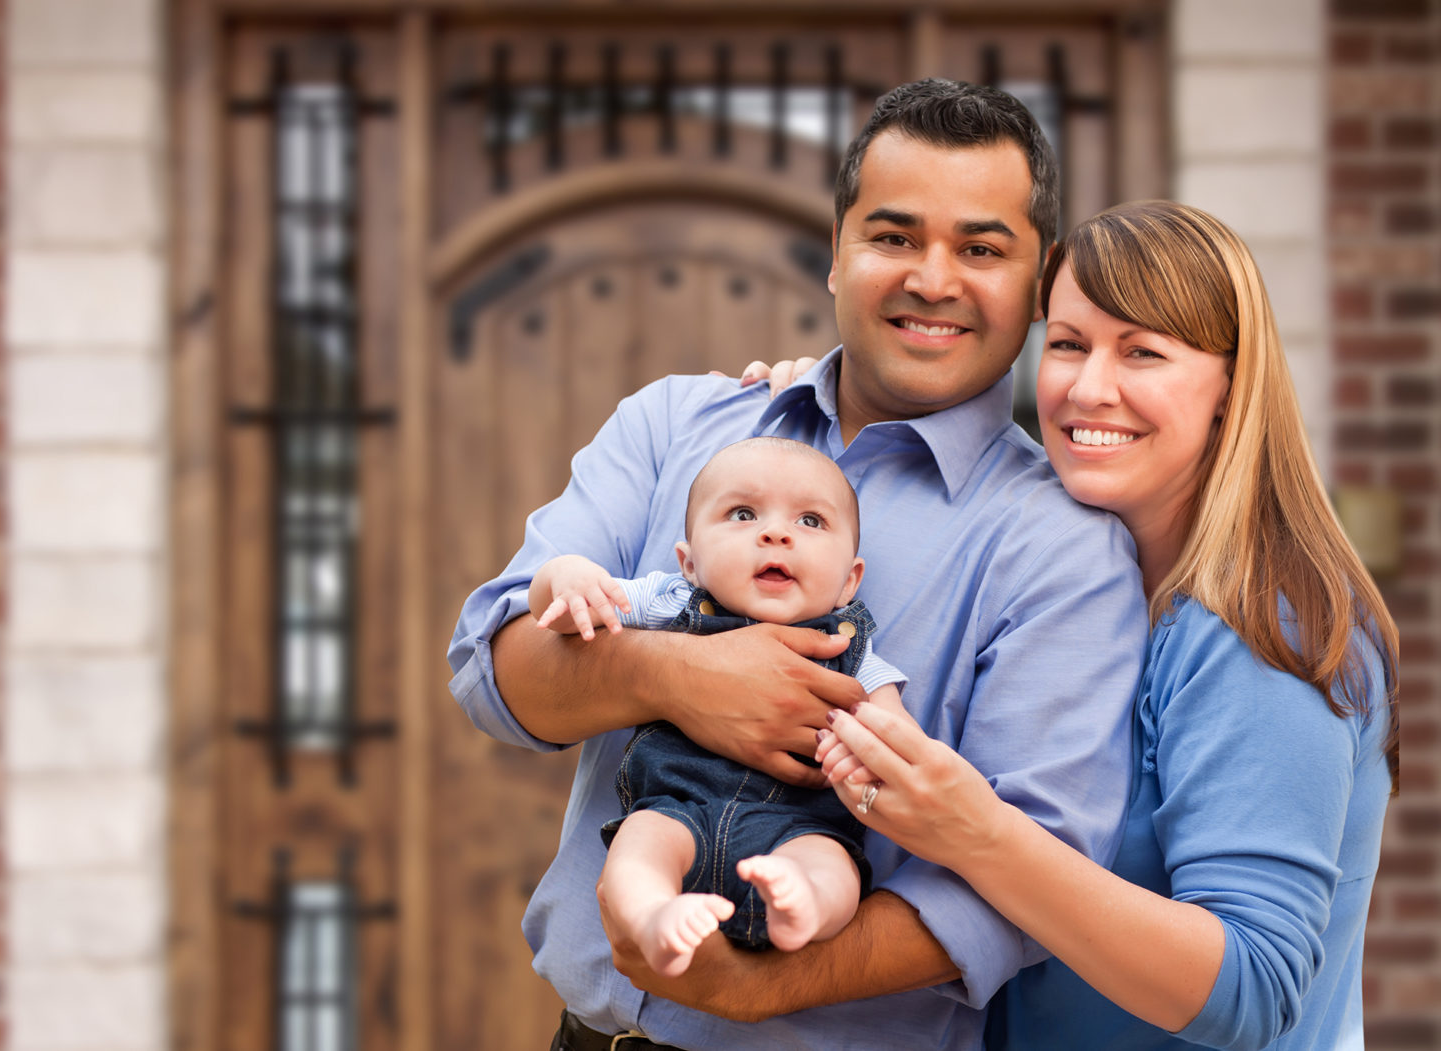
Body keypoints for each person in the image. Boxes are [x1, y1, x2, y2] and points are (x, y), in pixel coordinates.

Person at [449, 77, 1149, 1050]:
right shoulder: (675, 426)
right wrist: (677, 674)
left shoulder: (1065, 551)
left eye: (981, 248)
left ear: (1038, 284)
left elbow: (1032, 880)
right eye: (894, 237)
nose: (932, 279)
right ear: (836, 252)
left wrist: (761, 987)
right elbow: (491, 671)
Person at [810, 199, 1399, 1051]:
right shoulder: (1092, 587)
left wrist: (976, 831)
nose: (1089, 388)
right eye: (1069, 344)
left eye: (1144, 353)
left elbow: (1255, 985)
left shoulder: (1262, 624)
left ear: (1231, 389)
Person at [530, 437, 908, 979]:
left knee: (835, 870)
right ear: (689, 562)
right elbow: (563, 614)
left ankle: (803, 906)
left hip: (799, 827)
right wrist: (564, 577)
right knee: (637, 851)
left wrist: (874, 753)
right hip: (675, 809)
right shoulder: (669, 602)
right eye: (743, 513)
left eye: (811, 522)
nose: (775, 533)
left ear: (849, 580)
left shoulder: (852, 647)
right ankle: (654, 916)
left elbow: (895, 737)